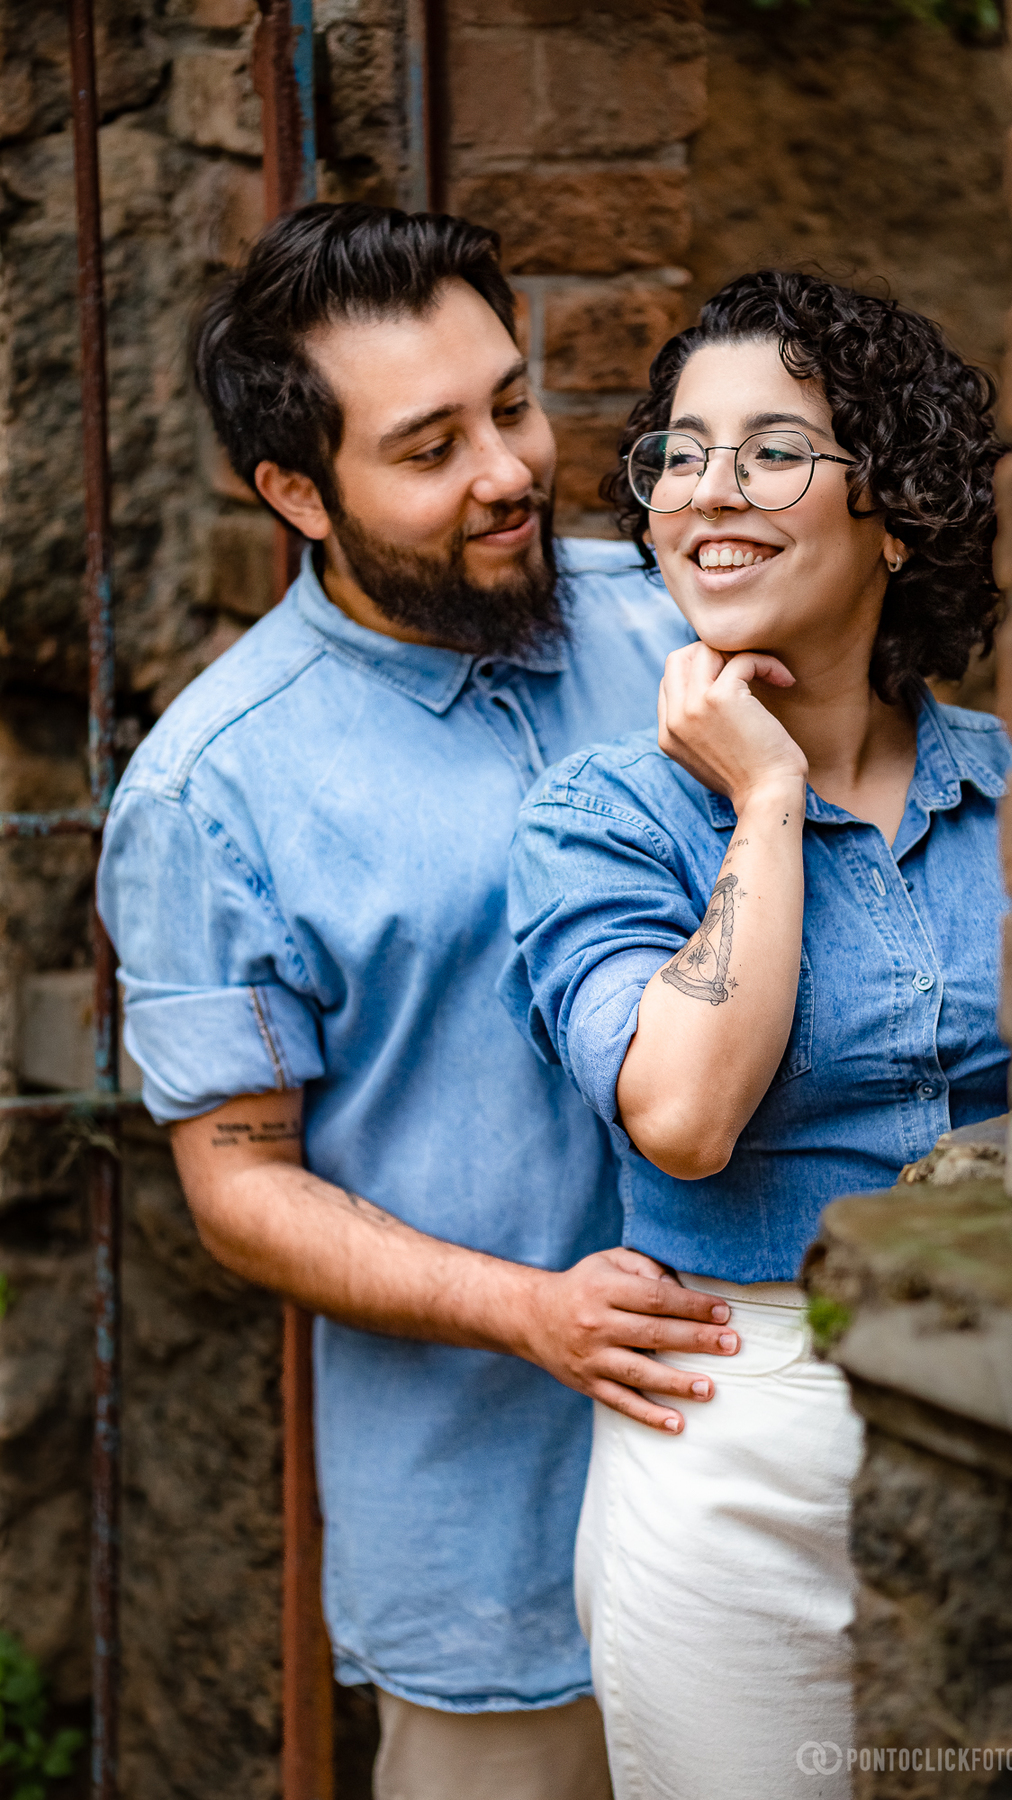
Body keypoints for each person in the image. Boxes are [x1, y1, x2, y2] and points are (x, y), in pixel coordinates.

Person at [96, 204, 747, 1800]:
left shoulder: (682, 622)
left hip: (773, 1492)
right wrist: (530, 1312)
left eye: (511, 404)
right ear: (296, 493)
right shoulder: (210, 792)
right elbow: (241, 1191)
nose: (510, 469)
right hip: (490, 1555)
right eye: (431, 446)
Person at [501, 270, 1012, 1800]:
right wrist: (767, 798)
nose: (710, 490)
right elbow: (683, 1116)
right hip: (732, 1432)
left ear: (895, 510)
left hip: (1008, 1404)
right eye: (681, 454)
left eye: (775, 450)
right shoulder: (600, 821)